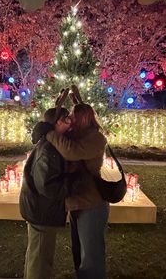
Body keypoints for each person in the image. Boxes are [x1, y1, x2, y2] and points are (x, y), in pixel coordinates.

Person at [46, 103, 108, 279]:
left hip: (92, 203)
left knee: (91, 253)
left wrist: (51, 133)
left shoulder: (96, 139)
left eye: (74, 115)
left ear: (83, 118)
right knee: (78, 249)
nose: (70, 118)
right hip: (76, 201)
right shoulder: (77, 136)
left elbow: (71, 152)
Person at [19, 106, 72, 279]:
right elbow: (48, 187)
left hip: (39, 209)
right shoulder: (50, 149)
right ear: (58, 122)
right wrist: (73, 183)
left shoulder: (50, 143)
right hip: (42, 211)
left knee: (36, 256)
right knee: (40, 260)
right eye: (67, 119)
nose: (71, 122)